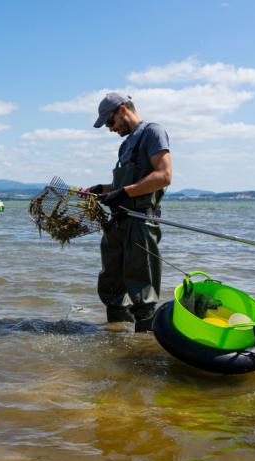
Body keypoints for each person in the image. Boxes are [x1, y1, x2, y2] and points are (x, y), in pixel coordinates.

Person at [89, 92, 172, 332]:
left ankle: (143, 348)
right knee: (111, 284)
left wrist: (124, 192)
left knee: (141, 288)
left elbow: (164, 176)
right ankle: (117, 341)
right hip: (118, 222)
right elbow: (124, 184)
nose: (109, 128)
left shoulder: (153, 132)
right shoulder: (126, 144)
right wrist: (103, 189)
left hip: (141, 222)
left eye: (110, 122)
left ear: (123, 110)